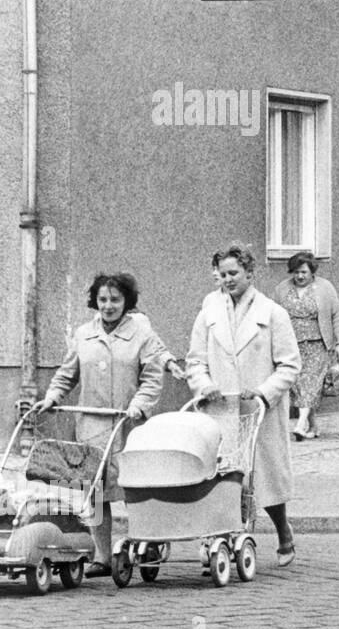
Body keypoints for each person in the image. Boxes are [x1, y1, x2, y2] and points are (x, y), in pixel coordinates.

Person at [33, 273, 167, 577]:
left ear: (127, 302)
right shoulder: (83, 334)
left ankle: (148, 543)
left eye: (115, 300)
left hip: (129, 423)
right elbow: (67, 374)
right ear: (95, 301)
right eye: (103, 300)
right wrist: (52, 396)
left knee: (136, 488)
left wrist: (138, 406)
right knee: (93, 491)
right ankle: (103, 557)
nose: (108, 306)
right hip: (91, 424)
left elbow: (152, 379)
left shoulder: (142, 334)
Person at [188, 244, 301, 566]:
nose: (228, 279)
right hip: (221, 408)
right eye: (222, 274)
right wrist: (204, 384)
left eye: (234, 273)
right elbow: (194, 360)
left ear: (250, 273)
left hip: (259, 410)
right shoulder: (208, 314)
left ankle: (283, 531)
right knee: (222, 476)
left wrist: (264, 392)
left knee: (264, 478)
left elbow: (290, 365)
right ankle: (224, 541)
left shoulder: (272, 313)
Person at [271, 252, 339, 440]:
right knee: (298, 385)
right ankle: (313, 426)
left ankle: (299, 425)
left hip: (317, 344)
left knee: (310, 383)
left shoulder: (325, 288)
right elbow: (272, 315)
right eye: (296, 272)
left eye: (304, 272)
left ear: (312, 271)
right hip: (291, 344)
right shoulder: (282, 289)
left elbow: (337, 315)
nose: (299, 276)